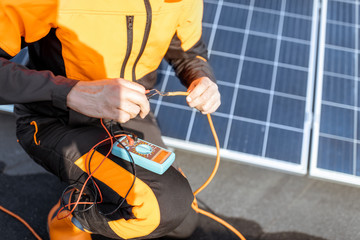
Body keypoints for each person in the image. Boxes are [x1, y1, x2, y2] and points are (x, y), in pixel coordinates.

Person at [0, 0, 221, 239]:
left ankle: (107, 191)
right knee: (160, 208)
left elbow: (189, 51)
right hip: (55, 118)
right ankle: (72, 217)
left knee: (183, 219)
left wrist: (201, 77)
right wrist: (71, 92)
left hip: (128, 115)